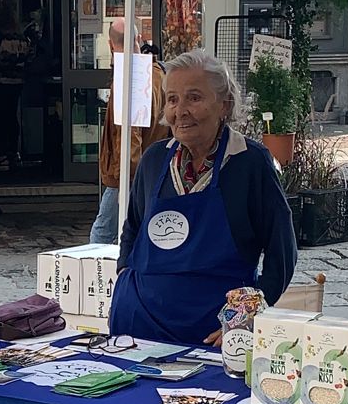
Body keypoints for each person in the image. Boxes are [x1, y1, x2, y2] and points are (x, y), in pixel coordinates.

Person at [110, 50, 297, 347]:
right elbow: (132, 226)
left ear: (224, 105)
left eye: (193, 98)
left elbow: (282, 251)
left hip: (213, 333)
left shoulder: (249, 162)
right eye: (172, 99)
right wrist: (123, 275)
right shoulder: (155, 159)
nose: (180, 110)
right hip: (137, 324)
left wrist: (243, 319)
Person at [90, 26, 168, 244]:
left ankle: (97, 278)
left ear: (109, 44)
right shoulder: (157, 72)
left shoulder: (131, 78)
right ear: (139, 38)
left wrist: (125, 176)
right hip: (151, 166)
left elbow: (129, 134)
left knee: (102, 234)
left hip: (129, 172)